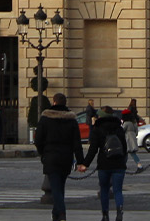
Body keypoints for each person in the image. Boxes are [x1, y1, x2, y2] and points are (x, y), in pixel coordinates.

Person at [34, 92, 86, 221]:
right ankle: (55, 214)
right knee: (60, 186)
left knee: (56, 187)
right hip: (66, 157)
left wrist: (42, 152)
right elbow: (77, 143)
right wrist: (80, 161)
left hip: (51, 156)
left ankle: (61, 213)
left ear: (54, 102)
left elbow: (38, 139)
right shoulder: (71, 120)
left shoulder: (46, 118)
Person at [83, 106, 127, 221]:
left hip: (104, 164)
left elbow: (93, 150)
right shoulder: (119, 128)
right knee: (118, 190)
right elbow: (124, 147)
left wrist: (85, 164)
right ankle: (119, 212)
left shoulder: (97, 129)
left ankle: (105, 215)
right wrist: (123, 161)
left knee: (104, 189)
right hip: (118, 164)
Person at [120, 108, 143, 173]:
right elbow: (136, 132)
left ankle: (139, 165)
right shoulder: (134, 122)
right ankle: (123, 165)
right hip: (132, 138)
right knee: (127, 153)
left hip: (127, 139)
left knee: (129, 153)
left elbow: (122, 130)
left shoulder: (126, 123)